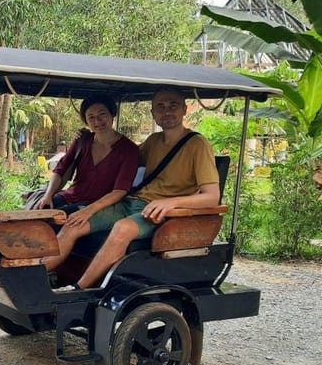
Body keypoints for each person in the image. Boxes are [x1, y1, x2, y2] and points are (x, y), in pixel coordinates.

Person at [45, 89, 220, 290]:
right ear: (153, 113)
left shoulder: (198, 145)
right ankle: (38, 278)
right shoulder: (154, 141)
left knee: (122, 228)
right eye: (160, 107)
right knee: (74, 222)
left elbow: (212, 197)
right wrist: (87, 137)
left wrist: (170, 202)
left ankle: (79, 289)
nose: (167, 111)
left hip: (162, 214)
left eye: (173, 105)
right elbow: (123, 155)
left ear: (184, 109)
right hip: (131, 203)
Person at [36, 97, 139, 225]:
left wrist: (88, 211)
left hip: (97, 205)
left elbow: (120, 190)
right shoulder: (82, 141)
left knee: (54, 222)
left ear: (112, 115)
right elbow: (60, 170)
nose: (97, 121)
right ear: (86, 121)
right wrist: (48, 196)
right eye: (91, 117)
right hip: (70, 196)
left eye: (102, 114)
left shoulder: (129, 149)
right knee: (36, 215)